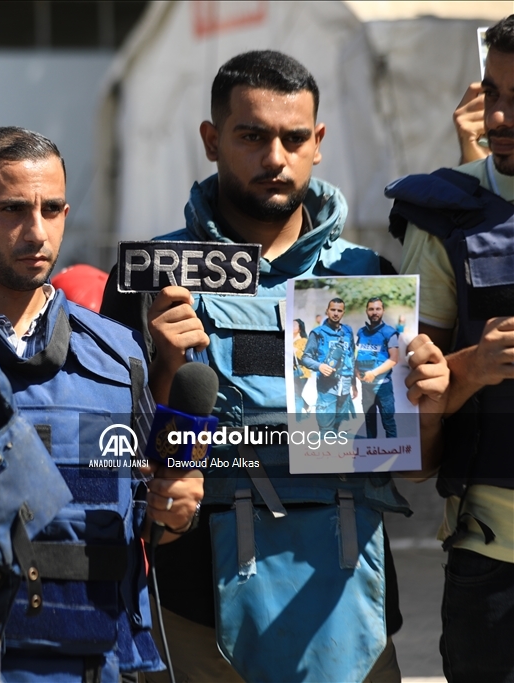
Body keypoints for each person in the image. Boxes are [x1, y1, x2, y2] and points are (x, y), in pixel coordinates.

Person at [100, 50, 448, 682]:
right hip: (193, 613)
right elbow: (114, 462)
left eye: (293, 138)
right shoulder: (147, 277)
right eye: (252, 136)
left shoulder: (369, 279)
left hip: (350, 607)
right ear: (211, 140)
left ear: (318, 143)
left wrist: (436, 401)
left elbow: (417, 467)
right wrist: (164, 373)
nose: (274, 158)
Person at [0, 126, 202, 681]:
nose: (37, 231)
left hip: (97, 662)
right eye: (11, 210)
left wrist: (177, 508)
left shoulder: (121, 356)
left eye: (51, 209)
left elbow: (153, 518)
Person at [389, 14, 514, 681]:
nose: (498, 115)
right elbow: (410, 441)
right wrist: (470, 368)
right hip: (493, 565)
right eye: (493, 92)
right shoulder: (447, 220)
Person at [301, 297, 357, 433]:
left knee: (341, 425)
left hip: (344, 386)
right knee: (326, 426)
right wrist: (319, 366)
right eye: (333, 310)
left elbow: (351, 357)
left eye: (339, 310)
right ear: (327, 311)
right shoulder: (318, 333)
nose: (336, 313)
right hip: (326, 386)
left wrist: (354, 384)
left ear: (343, 313)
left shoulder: (348, 332)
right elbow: (305, 358)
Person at [355, 297, 399, 438]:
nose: (375, 312)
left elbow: (394, 359)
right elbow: (358, 354)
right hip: (366, 386)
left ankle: (392, 452)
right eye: (371, 309)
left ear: (383, 311)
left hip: (383, 387)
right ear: (367, 311)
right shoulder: (361, 333)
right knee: (369, 421)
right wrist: (356, 371)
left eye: (378, 309)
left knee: (388, 422)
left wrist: (373, 373)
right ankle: (371, 450)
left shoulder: (389, 333)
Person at [292, 318, 310, 416]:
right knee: (295, 394)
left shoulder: (304, 341)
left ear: (300, 329)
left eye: (294, 325)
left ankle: (296, 419)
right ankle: (307, 406)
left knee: (296, 395)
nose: (291, 327)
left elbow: (306, 358)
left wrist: (296, 351)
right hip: (291, 372)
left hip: (302, 372)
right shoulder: (288, 340)